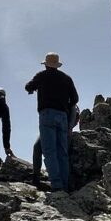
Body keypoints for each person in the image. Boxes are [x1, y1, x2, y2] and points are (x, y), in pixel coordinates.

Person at [25, 53, 78, 193]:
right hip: (62, 117)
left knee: (49, 151)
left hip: (47, 114)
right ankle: (65, 186)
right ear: (57, 64)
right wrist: (64, 107)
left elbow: (28, 87)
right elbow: (75, 99)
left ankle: (56, 185)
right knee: (62, 152)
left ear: (46, 64)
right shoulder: (67, 78)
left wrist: (34, 89)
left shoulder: (42, 76)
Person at [32, 101, 79, 189]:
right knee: (37, 147)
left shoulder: (67, 95)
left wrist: (70, 127)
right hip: (50, 125)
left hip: (63, 127)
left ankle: (63, 185)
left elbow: (74, 109)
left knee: (62, 155)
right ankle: (36, 178)